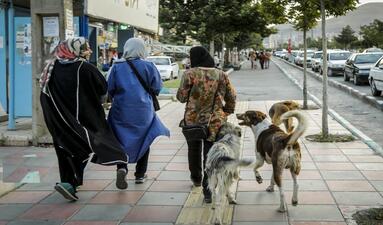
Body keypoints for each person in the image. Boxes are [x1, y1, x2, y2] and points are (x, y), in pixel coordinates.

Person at [40, 37, 129, 201]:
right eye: (85, 49)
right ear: (77, 50)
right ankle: (122, 164)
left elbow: (44, 94)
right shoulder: (85, 68)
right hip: (86, 119)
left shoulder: (51, 67)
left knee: (66, 151)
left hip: (59, 121)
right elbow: (103, 88)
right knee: (102, 143)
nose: (88, 52)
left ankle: (70, 184)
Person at [176, 46, 236, 203]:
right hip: (214, 121)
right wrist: (226, 112)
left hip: (192, 120)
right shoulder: (221, 74)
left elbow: (181, 98)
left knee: (193, 150)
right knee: (210, 155)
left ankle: (196, 178)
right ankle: (207, 190)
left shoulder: (189, 74)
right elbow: (232, 96)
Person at [107, 38, 170, 184]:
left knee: (120, 139)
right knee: (144, 139)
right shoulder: (149, 66)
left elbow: (109, 88)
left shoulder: (117, 67)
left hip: (121, 110)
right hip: (143, 111)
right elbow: (157, 88)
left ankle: (121, 168)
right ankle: (140, 174)